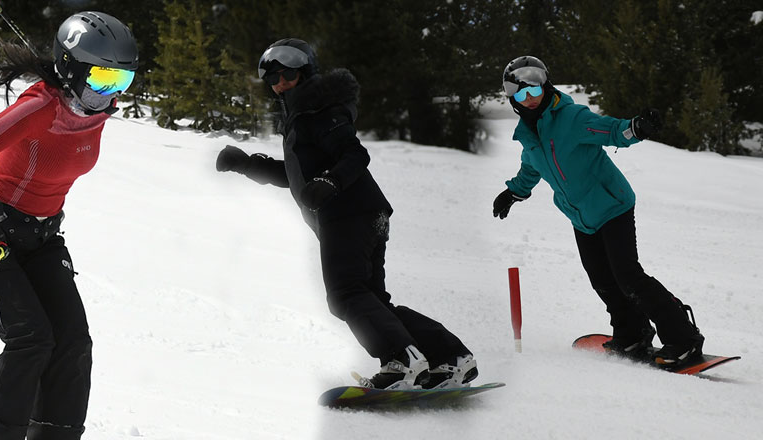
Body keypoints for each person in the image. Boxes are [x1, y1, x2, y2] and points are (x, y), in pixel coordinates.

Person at [215, 38, 476, 390]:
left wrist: (330, 182)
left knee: (345, 295)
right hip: (364, 213)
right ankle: (450, 357)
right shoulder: (301, 116)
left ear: (305, 72)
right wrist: (245, 164)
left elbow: (354, 154)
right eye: (272, 78)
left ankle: (401, 360)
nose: (279, 83)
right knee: (372, 301)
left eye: (288, 74)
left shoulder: (319, 109)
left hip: (348, 213)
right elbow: (297, 179)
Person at [0, 11, 137, 440]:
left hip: (43, 238)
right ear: (73, 70)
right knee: (31, 339)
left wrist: (86, 86)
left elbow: (80, 112)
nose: (111, 95)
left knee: (73, 343)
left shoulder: (92, 108)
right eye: (104, 80)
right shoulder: (39, 106)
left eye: (122, 83)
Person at [493, 55, 705, 368]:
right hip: (581, 217)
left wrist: (637, 127)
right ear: (513, 100)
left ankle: (683, 338)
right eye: (521, 95)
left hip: (611, 205)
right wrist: (515, 191)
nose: (530, 98)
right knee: (602, 279)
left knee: (628, 276)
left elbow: (613, 131)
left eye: (535, 89)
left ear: (545, 85)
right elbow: (532, 166)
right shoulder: (529, 134)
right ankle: (631, 333)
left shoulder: (572, 118)